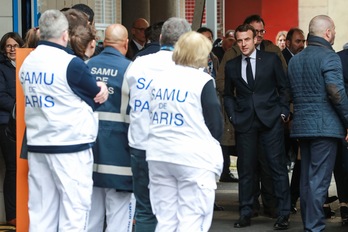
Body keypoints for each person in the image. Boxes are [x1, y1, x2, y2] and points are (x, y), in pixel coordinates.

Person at [19, 9, 108, 231]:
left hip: (39, 144)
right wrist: (103, 88)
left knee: (41, 212)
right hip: (70, 146)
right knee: (74, 211)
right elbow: (95, 97)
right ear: (65, 35)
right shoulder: (71, 64)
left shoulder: (28, 63)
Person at [147, 30, 223, 232]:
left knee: (165, 219)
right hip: (193, 159)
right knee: (192, 219)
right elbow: (215, 124)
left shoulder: (158, 79)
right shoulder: (202, 81)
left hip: (159, 154)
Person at [125, 17, 191, 232]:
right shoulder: (189, 69)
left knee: (145, 210)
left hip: (141, 144)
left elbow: (127, 98)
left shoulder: (139, 63)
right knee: (177, 211)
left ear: (161, 38)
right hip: (175, 148)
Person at [224, 24, 291, 229]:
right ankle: (245, 212)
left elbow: (284, 87)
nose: (243, 44)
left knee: (277, 167)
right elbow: (227, 94)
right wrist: (233, 115)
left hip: (271, 121)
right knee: (246, 170)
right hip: (245, 122)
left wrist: (283, 111)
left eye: (247, 39)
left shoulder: (270, 60)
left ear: (255, 40)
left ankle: (283, 214)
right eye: (240, 40)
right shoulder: (232, 65)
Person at [287, 15, 348, 231]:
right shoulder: (330, 57)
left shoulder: (295, 59)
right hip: (325, 128)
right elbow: (336, 92)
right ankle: (314, 228)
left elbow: (292, 94)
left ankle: (309, 225)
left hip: (302, 127)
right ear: (328, 32)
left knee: (307, 180)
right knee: (319, 181)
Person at [86, 23, 134, 232]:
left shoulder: (85, 65)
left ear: (103, 43)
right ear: (126, 44)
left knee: (91, 216)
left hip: (88, 153)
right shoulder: (131, 70)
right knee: (119, 216)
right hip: (119, 154)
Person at [0, 32, 24, 228]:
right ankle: (12, 214)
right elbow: (1, 96)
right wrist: (19, 108)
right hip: (5, 123)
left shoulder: (26, 65)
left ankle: (24, 212)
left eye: (15, 45)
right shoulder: (1, 68)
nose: (12, 49)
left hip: (24, 122)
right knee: (13, 169)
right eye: (8, 45)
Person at [337, 44, 348, 227]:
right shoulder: (339, 58)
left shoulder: (338, 57)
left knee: (343, 166)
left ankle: (344, 206)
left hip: (341, 120)